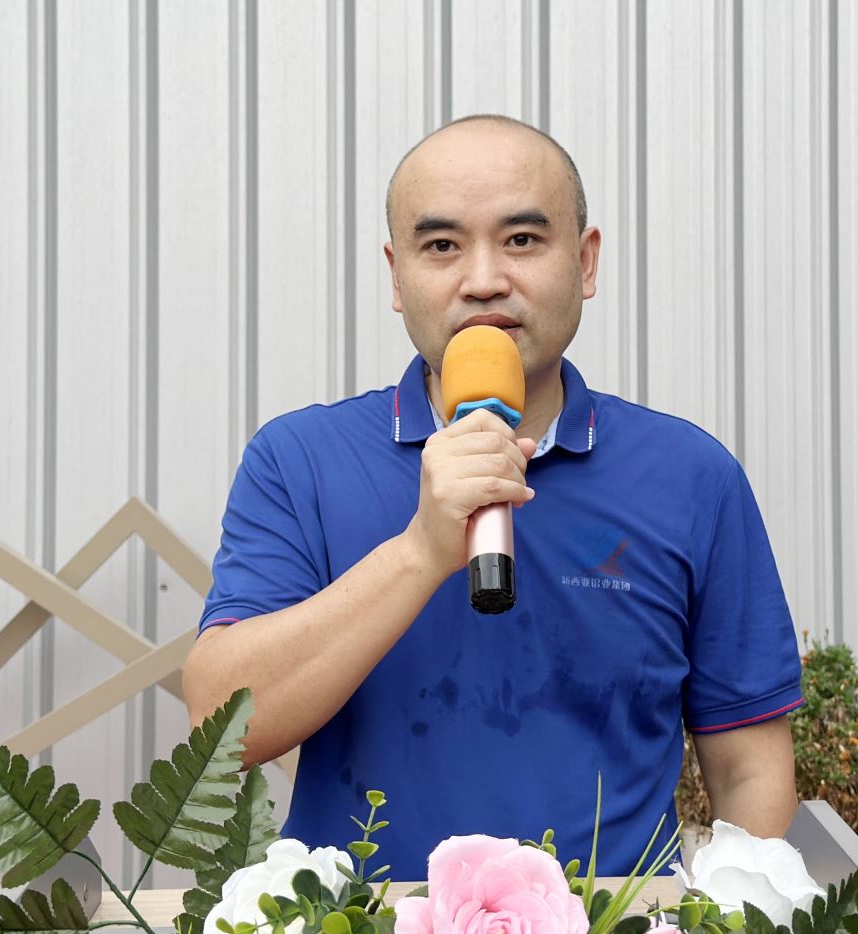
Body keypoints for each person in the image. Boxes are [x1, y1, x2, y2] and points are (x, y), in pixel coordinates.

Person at [180, 115, 799, 879]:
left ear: (585, 261)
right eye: (442, 246)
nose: (482, 280)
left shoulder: (691, 475)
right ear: (397, 276)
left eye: (522, 240)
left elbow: (747, 766)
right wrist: (418, 554)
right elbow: (221, 728)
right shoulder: (299, 460)